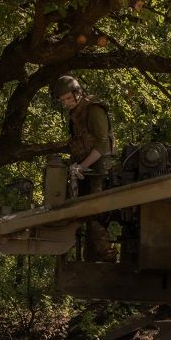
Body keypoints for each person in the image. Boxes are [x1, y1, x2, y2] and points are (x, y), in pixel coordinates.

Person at [49, 75, 117, 261]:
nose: (66, 103)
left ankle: (107, 255)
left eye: (68, 99)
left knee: (93, 213)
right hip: (84, 168)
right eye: (63, 100)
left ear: (78, 93)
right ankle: (93, 256)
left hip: (98, 169)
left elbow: (103, 143)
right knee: (81, 213)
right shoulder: (74, 113)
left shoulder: (93, 109)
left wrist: (82, 166)